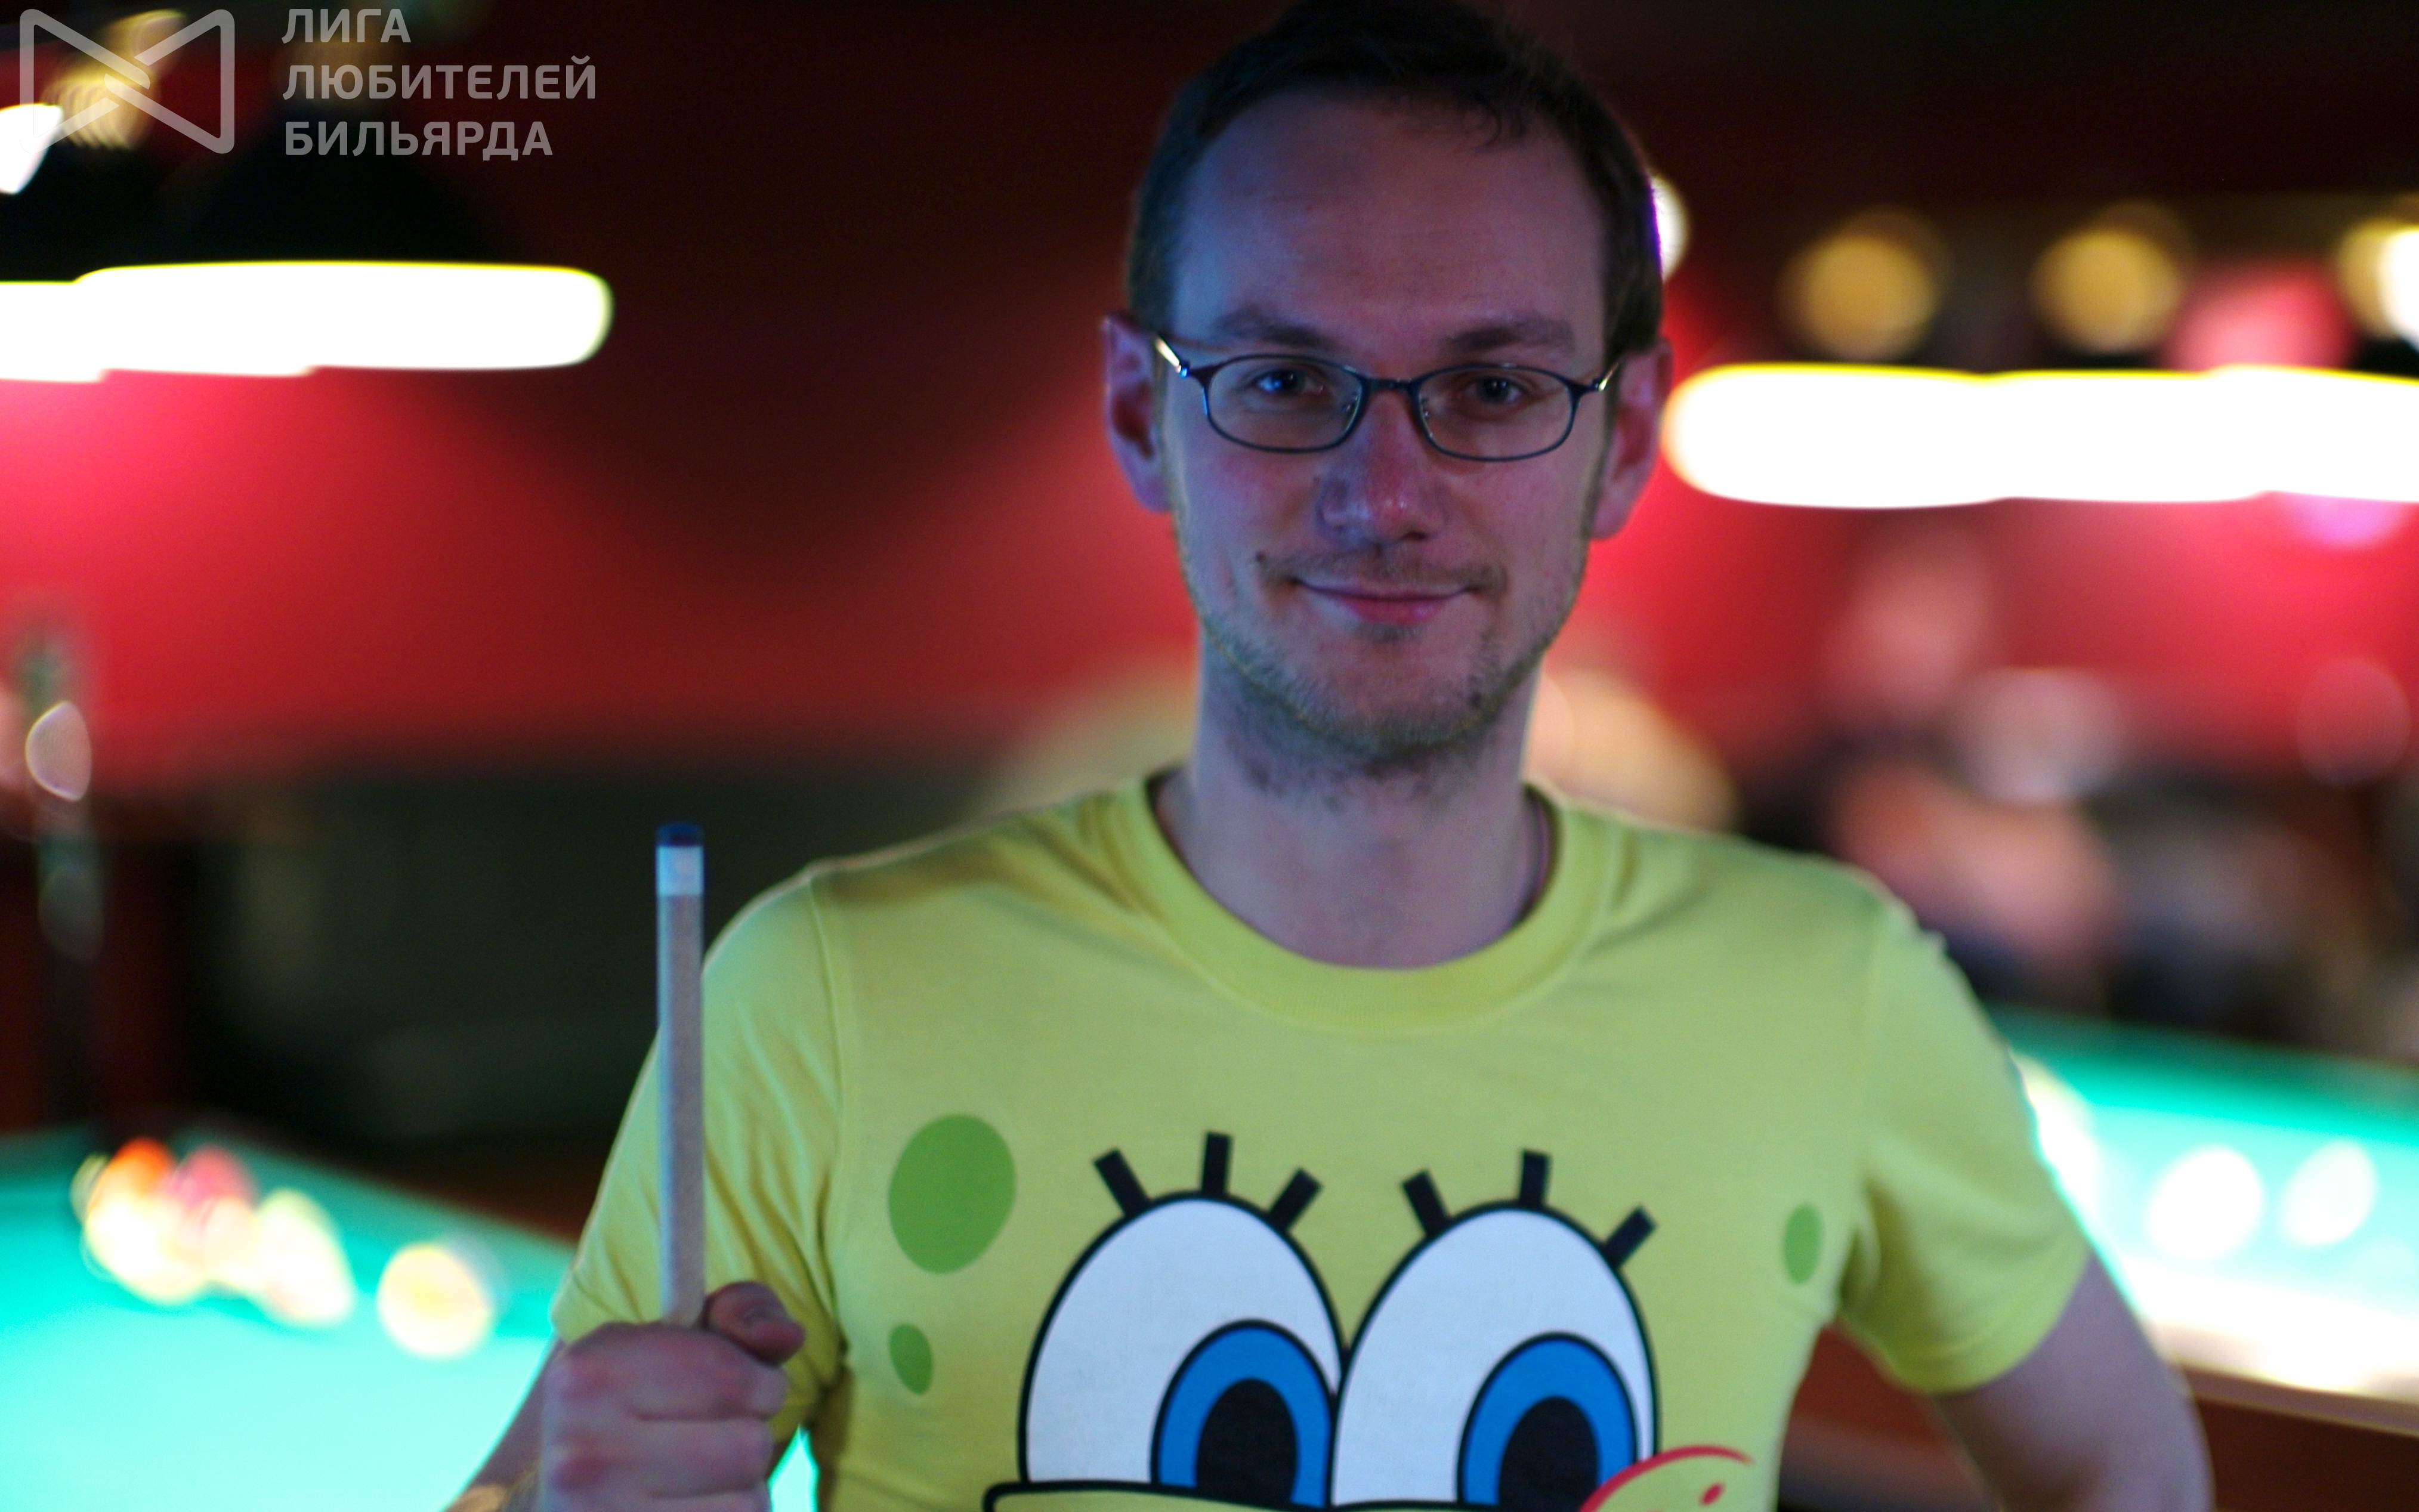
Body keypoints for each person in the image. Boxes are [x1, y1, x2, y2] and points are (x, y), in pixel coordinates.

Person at [455, 3, 2210, 1509]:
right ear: (1142, 414)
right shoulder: (827, 997)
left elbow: (2125, 1468)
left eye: (1495, 389)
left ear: (1623, 442)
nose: (1385, 493)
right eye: (1285, 381)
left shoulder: (1833, 994)